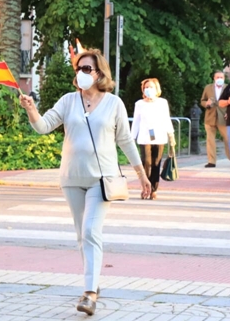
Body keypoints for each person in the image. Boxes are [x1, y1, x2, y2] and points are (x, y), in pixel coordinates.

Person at [19, 48, 150, 316]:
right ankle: (93, 281)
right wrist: (32, 110)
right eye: (79, 68)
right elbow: (43, 126)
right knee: (82, 235)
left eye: (87, 69)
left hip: (101, 180)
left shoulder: (113, 103)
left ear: (100, 72)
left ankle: (89, 293)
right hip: (71, 177)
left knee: (91, 231)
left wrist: (141, 173)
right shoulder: (68, 101)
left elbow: (125, 140)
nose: (81, 73)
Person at [130, 78, 176, 201]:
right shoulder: (139, 104)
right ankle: (145, 187)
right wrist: (131, 138)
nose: (148, 90)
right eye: (146, 87)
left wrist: (171, 135)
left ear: (156, 89)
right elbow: (136, 122)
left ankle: (154, 189)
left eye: (151, 87)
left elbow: (166, 119)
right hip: (144, 137)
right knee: (146, 163)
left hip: (159, 137)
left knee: (156, 164)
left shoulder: (162, 103)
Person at [200, 71, 230, 168]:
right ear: (214, 78)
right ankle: (211, 161)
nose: (219, 79)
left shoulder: (228, 88)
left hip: (223, 117)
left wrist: (228, 113)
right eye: (218, 77)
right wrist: (206, 104)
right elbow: (202, 100)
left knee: (228, 139)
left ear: (224, 78)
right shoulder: (208, 88)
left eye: (221, 77)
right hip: (210, 117)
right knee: (210, 140)